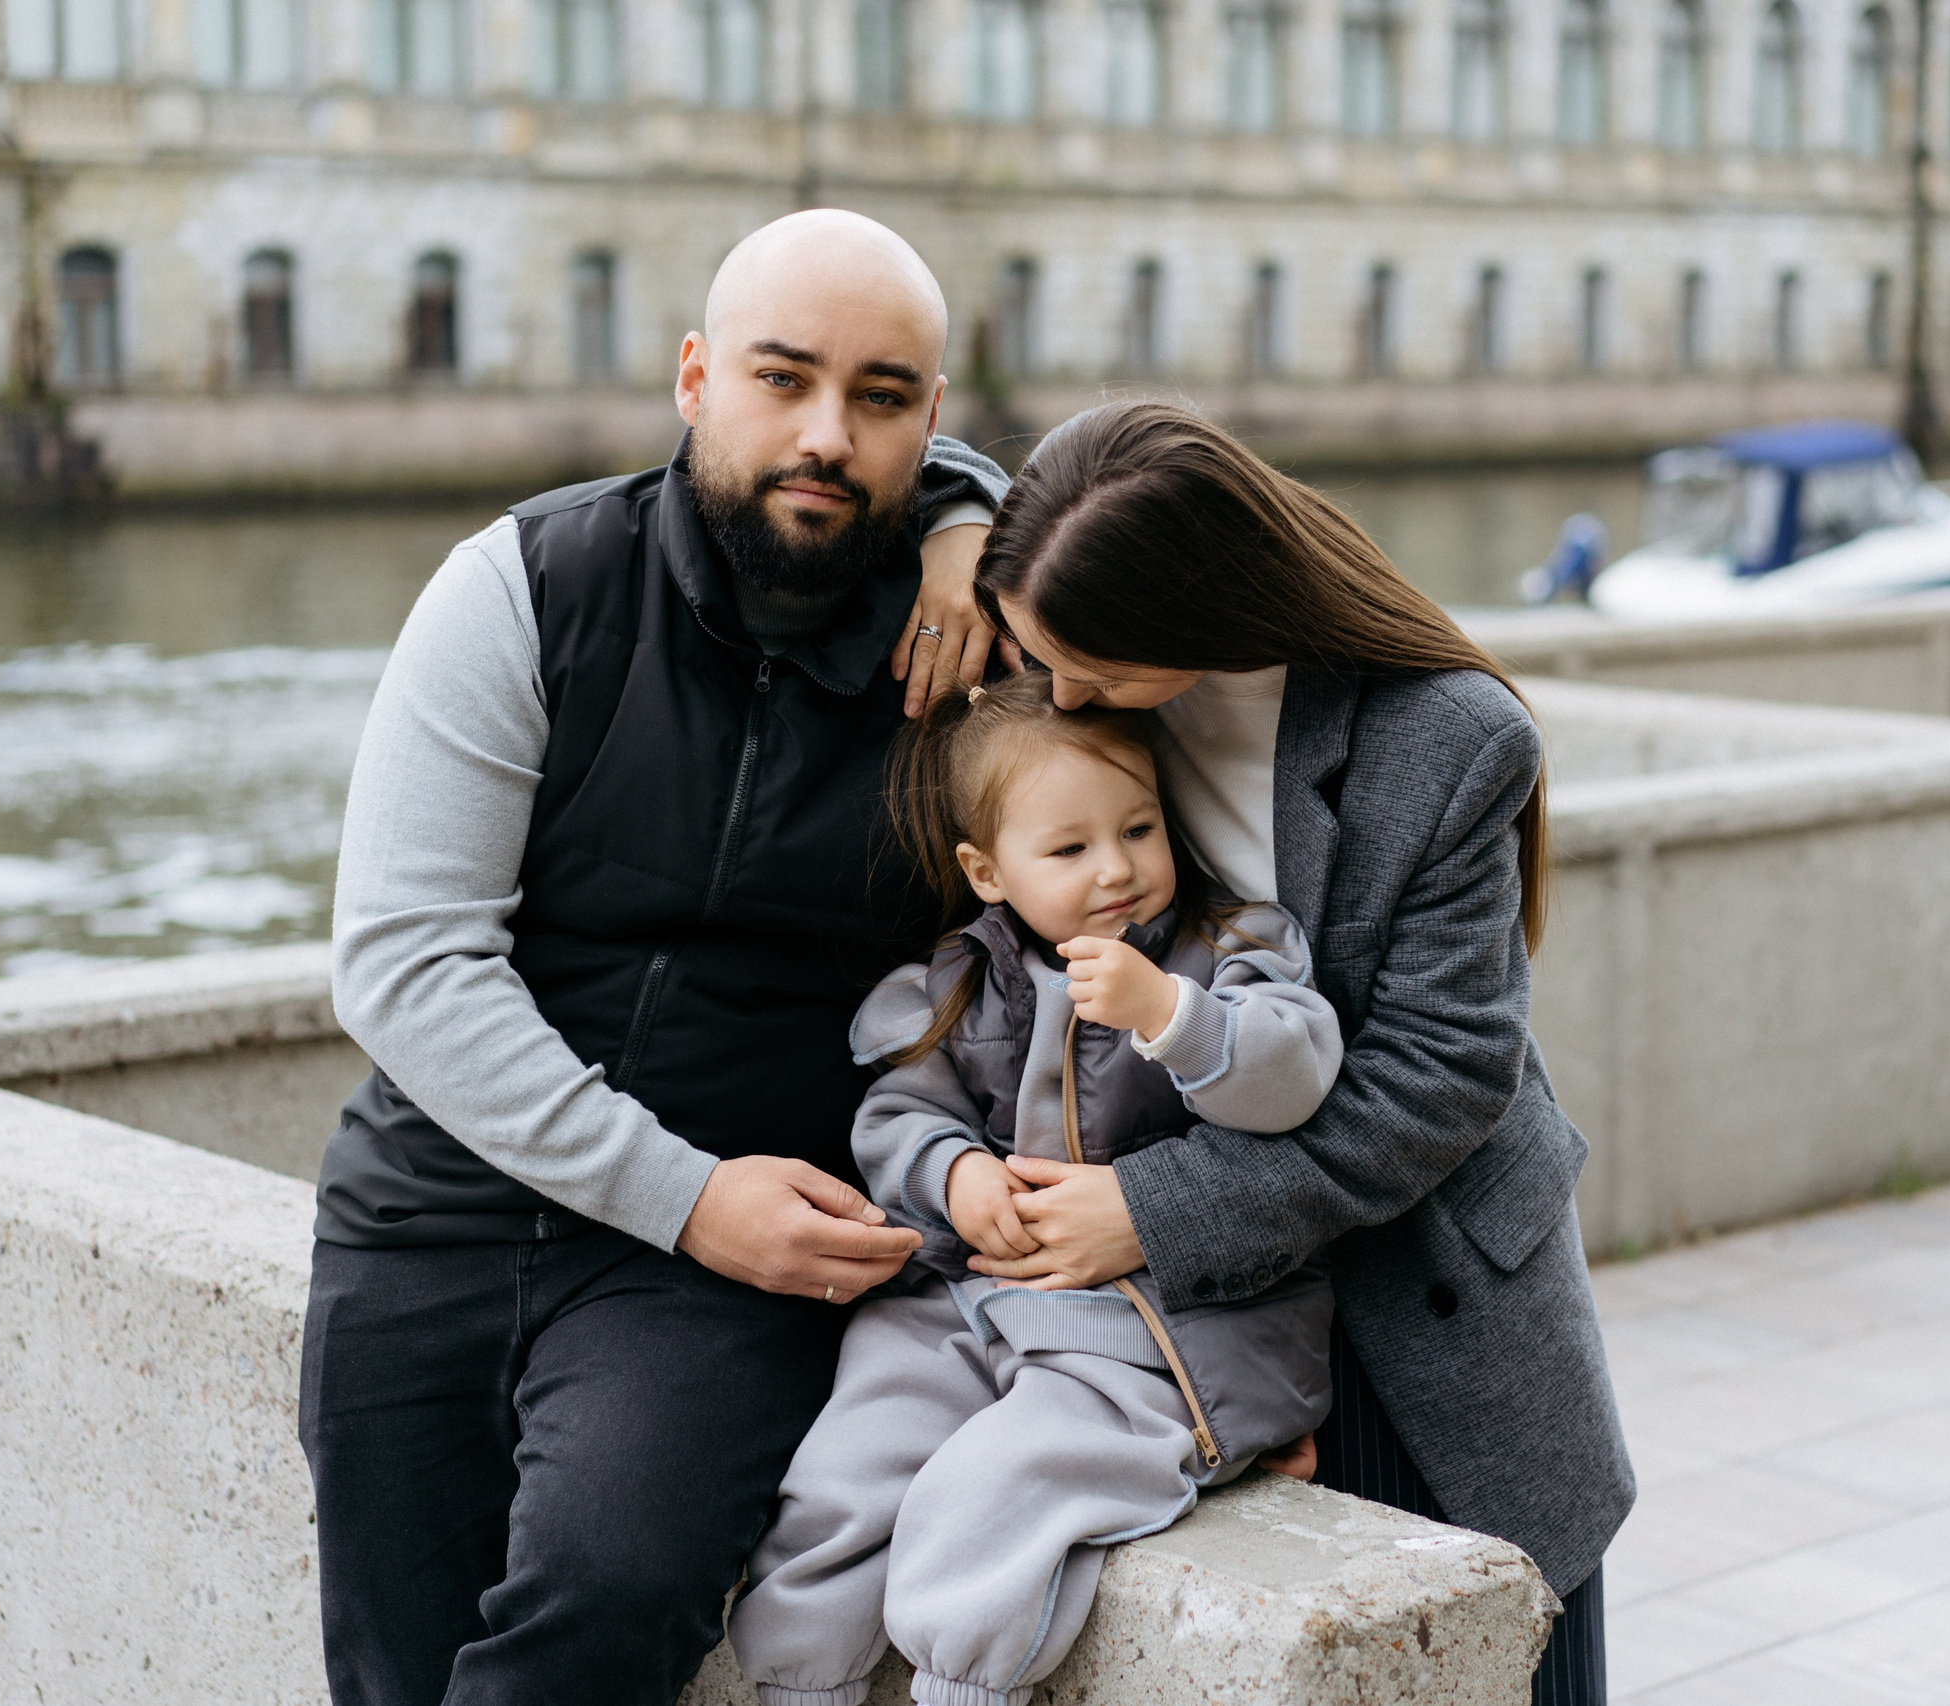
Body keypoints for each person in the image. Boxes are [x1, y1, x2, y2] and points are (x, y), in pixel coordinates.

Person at [295, 210, 1013, 1706]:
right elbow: (407, 963)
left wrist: (984, 514)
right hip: (442, 1208)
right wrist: (684, 1196)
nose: (826, 433)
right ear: (695, 377)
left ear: (932, 422)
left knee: (606, 1597)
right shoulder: (524, 583)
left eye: (883, 400)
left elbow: (1151, 539)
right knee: (388, 1666)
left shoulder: (967, 657)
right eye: (781, 378)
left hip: (735, 1265)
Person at [964, 399, 1638, 1704]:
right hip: (1216, 1335)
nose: (1055, 696)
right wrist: (954, 530)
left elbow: (1437, 1084)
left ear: (1195, 613)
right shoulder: (1098, 696)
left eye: (1087, 667)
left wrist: (1150, 1211)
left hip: (1435, 1285)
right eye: (1034, 653)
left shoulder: (1446, 739)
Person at [726, 673, 1342, 1706]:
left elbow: (1294, 1077)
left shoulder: (1227, 949)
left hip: (1160, 1328)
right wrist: (954, 1171)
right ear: (988, 870)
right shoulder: (965, 978)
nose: (1116, 869)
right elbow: (896, 1113)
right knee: (843, 1473)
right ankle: (801, 1681)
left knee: (995, 1495)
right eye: (1068, 849)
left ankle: (966, 1681)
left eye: (1139, 828)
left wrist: (1174, 1015)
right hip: (966, 1302)